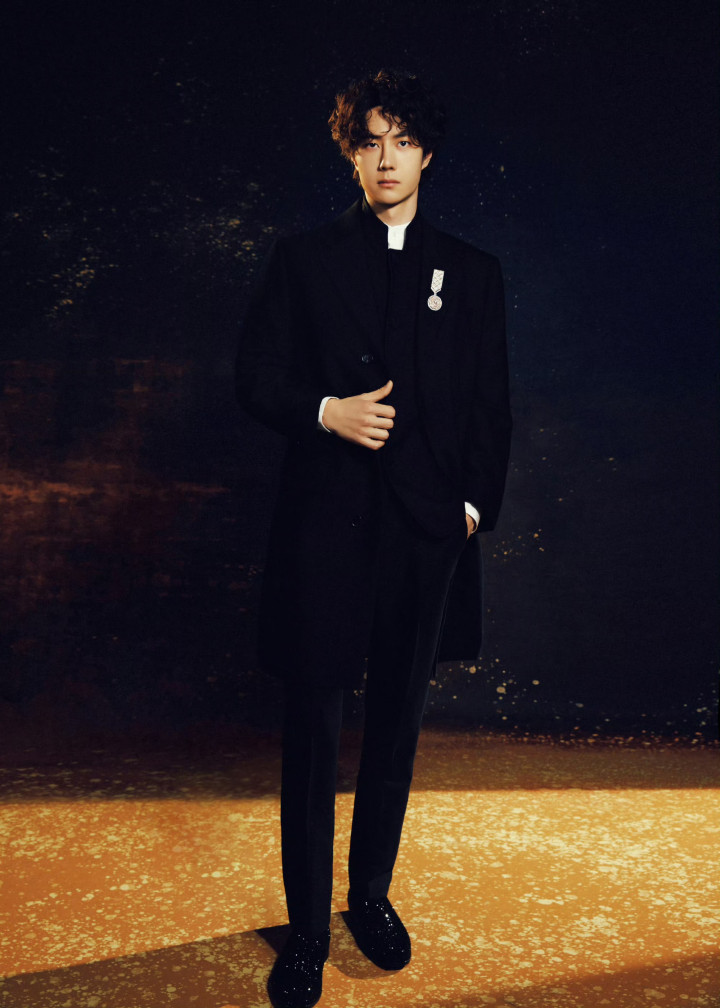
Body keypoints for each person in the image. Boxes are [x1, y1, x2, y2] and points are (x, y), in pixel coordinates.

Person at [235, 69, 512, 1008]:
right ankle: (308, 933)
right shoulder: (303, 259)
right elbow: (253, 377)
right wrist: (327, 411)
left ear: (428, 154)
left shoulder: (473, 272)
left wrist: (468, 512)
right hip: (327, 527)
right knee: (313, 730)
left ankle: (370, 898)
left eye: (402, 141)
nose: (386, 159)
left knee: (396, 723)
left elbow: (491, 408)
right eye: (369, 142)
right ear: (350, 155)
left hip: (425, 534)